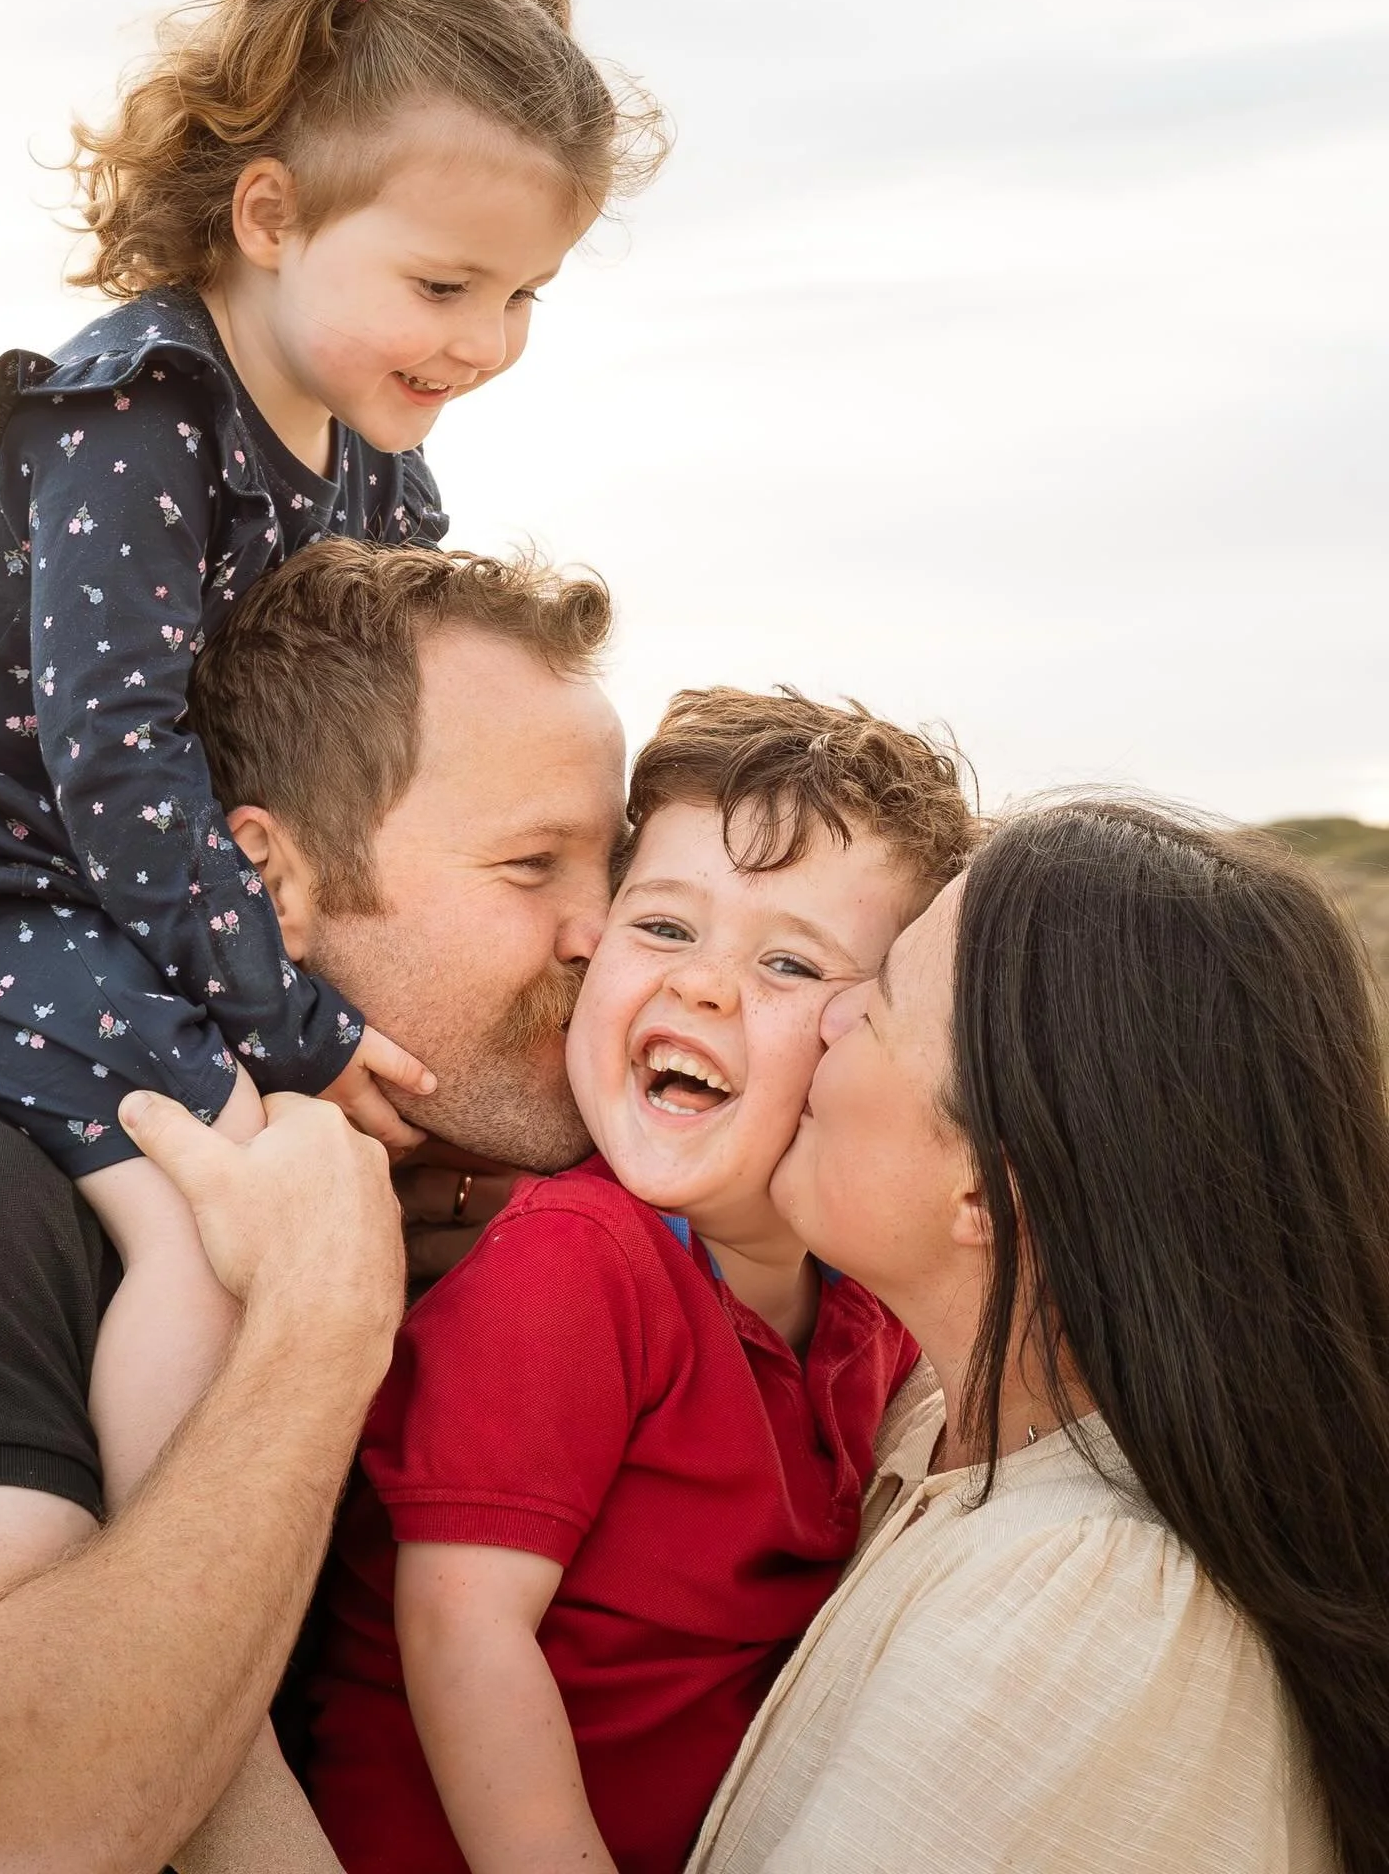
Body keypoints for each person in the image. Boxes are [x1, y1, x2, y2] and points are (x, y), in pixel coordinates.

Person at [0, 0, 663, 1511]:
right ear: (270, 219)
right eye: (445, 286)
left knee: (319, 1183)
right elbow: (117, 758)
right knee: (212, 1212)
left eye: (524, 294)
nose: (487, 341)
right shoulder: (140, 413)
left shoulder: (373, 471)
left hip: (125, 891)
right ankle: (180, 1616)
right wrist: (295, 1027)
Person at [0, 537, 627, 1870]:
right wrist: (322, 1321)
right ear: (275, 886)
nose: (599, 929)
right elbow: (11, 1825)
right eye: (534, 866)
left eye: (615, 863)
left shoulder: (527, 1220)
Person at [305, 689, 976, 1874]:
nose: (704, 987)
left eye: (787, 961)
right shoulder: (578, 1263)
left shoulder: (865, 1308)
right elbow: (463, 1629)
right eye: (663, 928)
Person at [687, 800, 1389, 1874]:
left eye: (874, 1003)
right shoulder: (933, 1424)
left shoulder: (1092, 1621)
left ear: (989, 1190)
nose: (823, 1019)